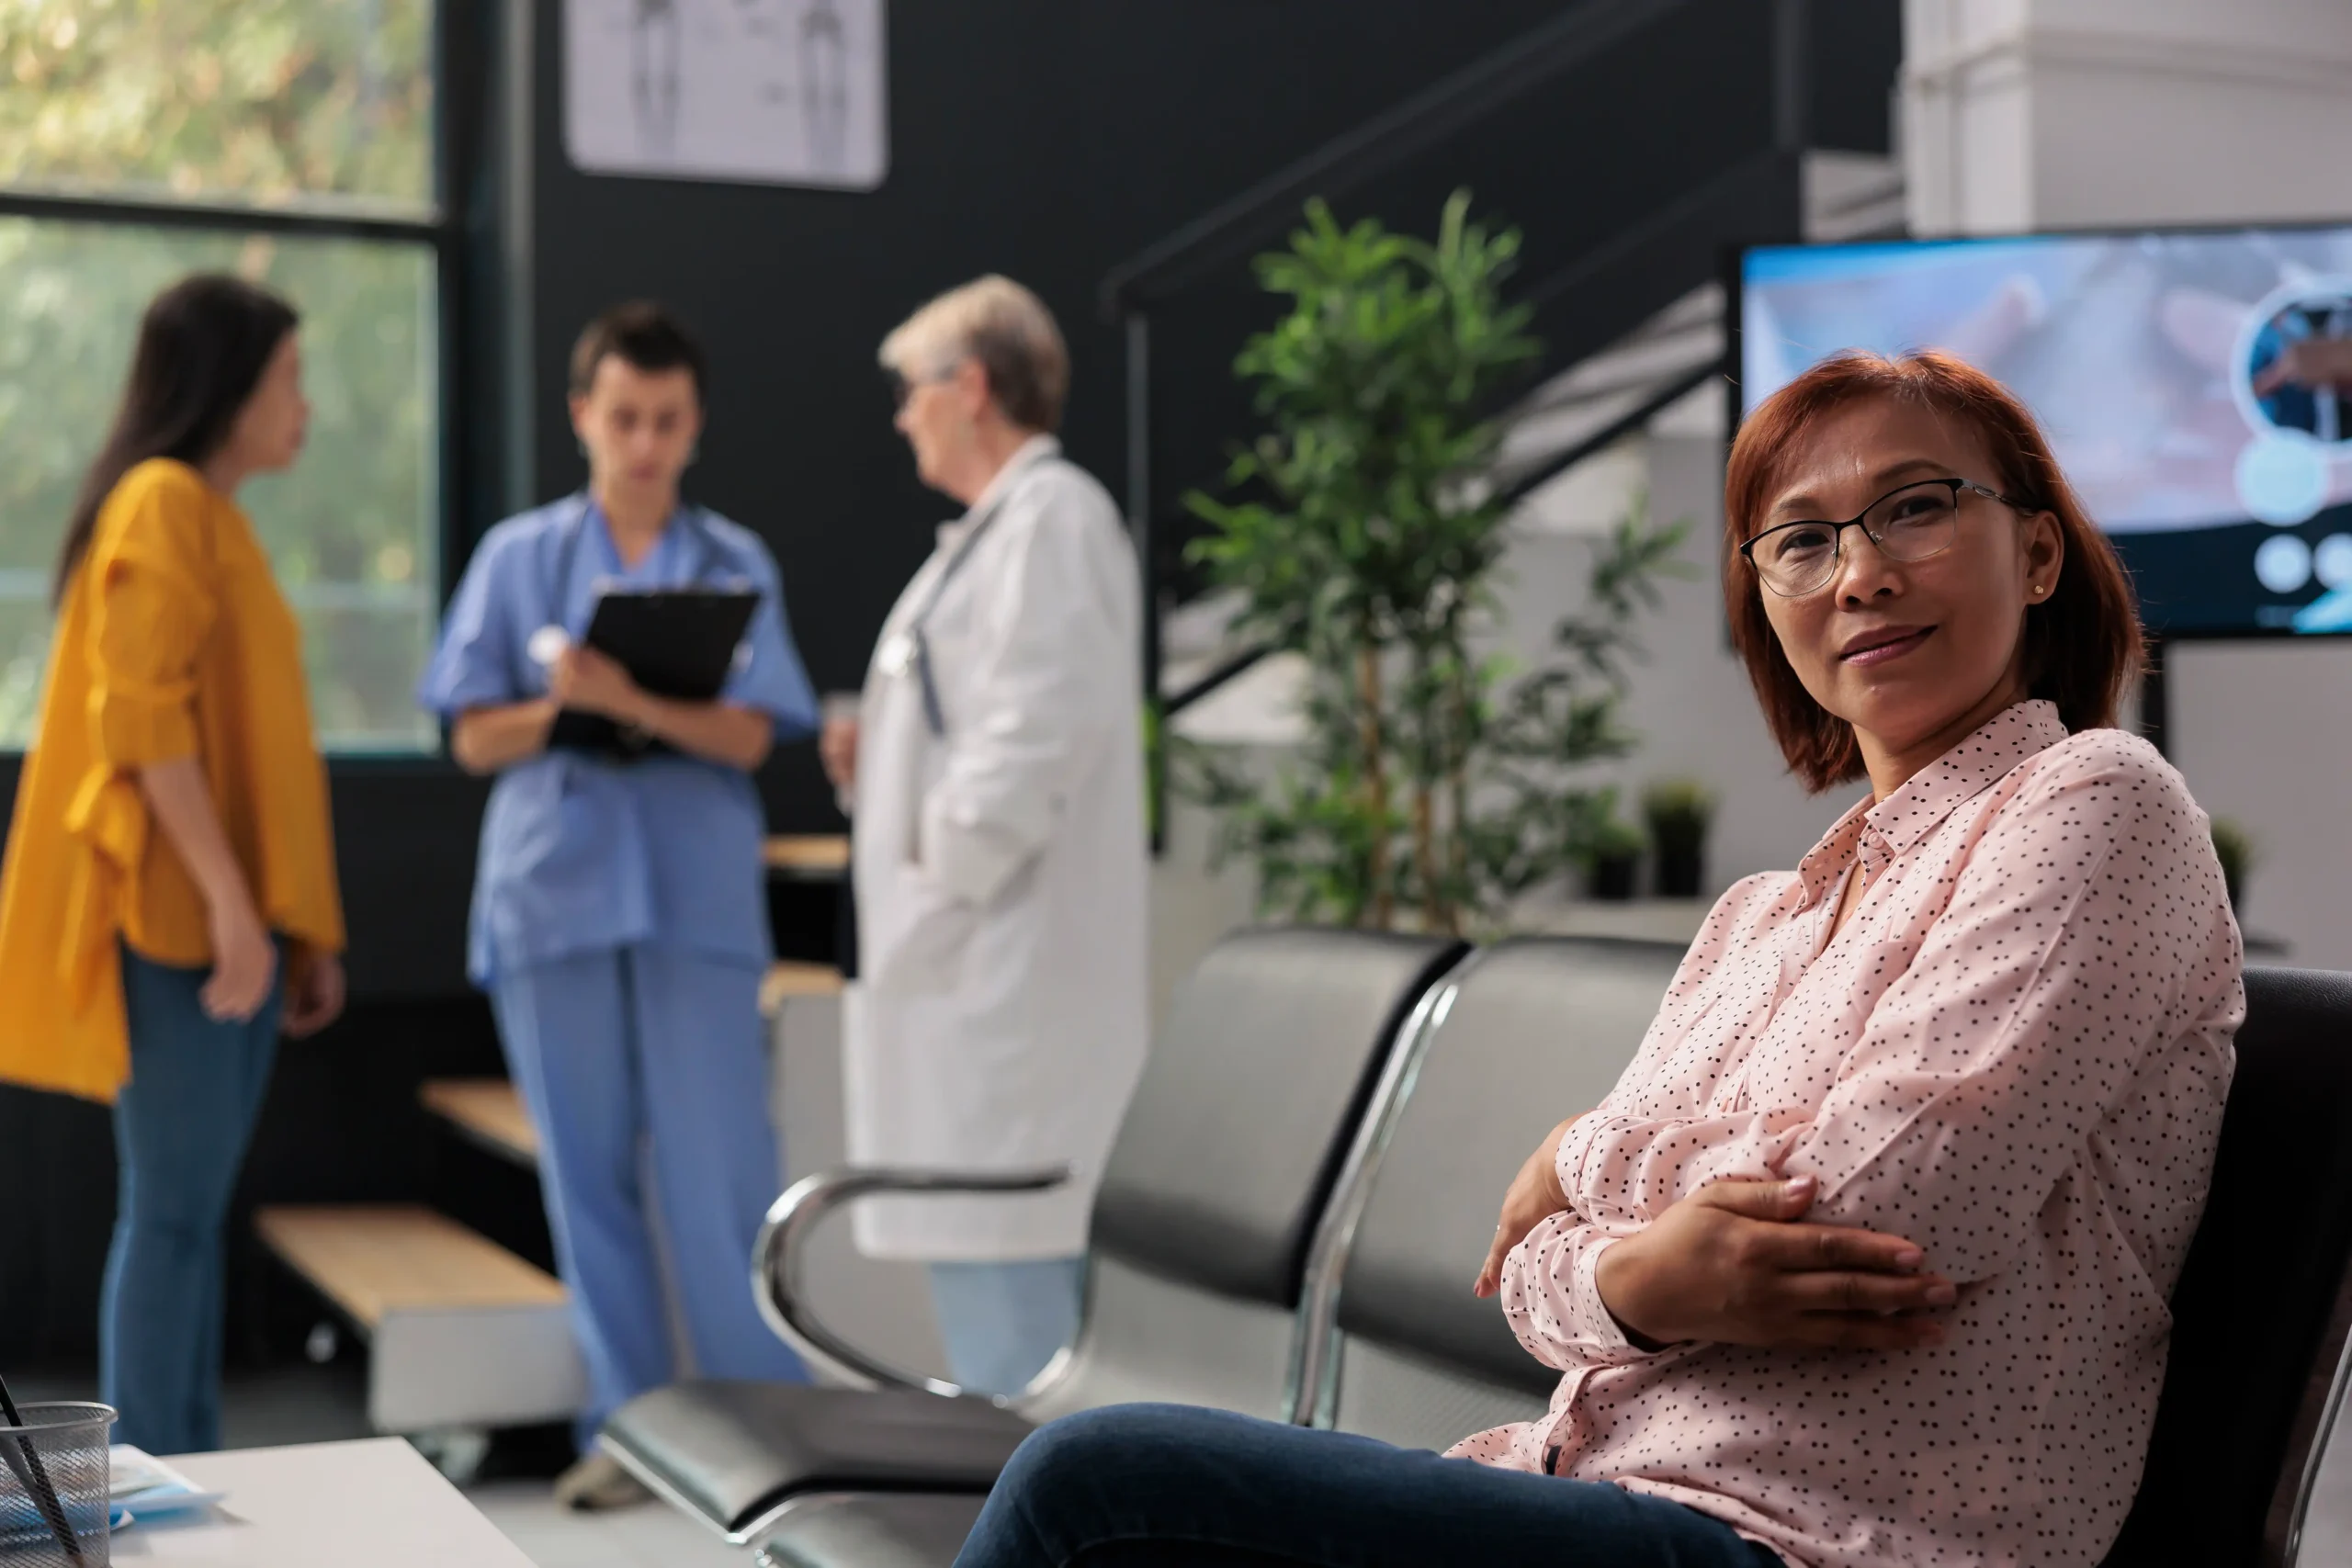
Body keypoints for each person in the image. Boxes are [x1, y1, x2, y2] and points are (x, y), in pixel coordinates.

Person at [951, 349, 2244, 1568]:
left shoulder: (2092, 799)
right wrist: (1637, 1270)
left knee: (1095, 1488)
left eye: (1915, 507)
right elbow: (1526, 1275)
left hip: (1818, 1542)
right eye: (1802, 538)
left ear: (2035, 551)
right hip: (1578, 1490)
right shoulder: (1757, 917)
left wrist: (1578, 1152)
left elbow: (1890, 1214)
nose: (1859, 574)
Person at [417, 302, 816, 1510]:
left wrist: (632, 697)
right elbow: (474, 733)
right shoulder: (517, 557)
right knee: (585, 1177)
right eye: (624, 417)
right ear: (585, 416)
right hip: (555, 899)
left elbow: (752, 731)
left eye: (667, 420)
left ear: (694, 427)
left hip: (693, 902)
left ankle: (776, 1434)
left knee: (723, 1170)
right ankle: (632, 1430)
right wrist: (574, 701)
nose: (644, 441)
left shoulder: (734, 561)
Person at [0, 275, 347, 1455]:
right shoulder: (160, 504)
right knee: (170, 1217)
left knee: (190, 1218)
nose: (305, 407)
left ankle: (176, 1469)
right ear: (230, 385)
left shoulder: (214, 516)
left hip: (226, 922)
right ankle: (148, 1476)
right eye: (290, 379)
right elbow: (141, 731)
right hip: (181, 925)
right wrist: (236, 912)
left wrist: (294, 925)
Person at [822, 276, 1148, 1398]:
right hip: (971, 985)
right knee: (998, 1335)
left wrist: (938, 865)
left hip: (1003, 991)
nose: (900, 415)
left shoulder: (1053, 521)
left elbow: (1029, 745)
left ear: (969, 387)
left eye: (912, 390)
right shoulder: (993, 538)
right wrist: (887, 766)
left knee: (1027, 1354)